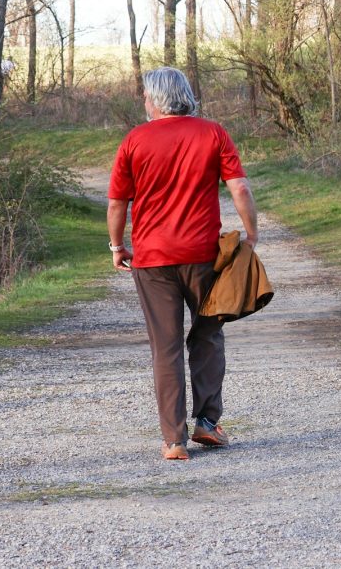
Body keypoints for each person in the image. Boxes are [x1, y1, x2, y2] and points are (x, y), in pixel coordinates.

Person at [106, 67, 258, 461]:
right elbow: (239, 186)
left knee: (166, 347)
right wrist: (251, 235)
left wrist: (117, 246)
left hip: (153, 260)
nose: (143, 101)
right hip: (203, 256)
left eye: (145, 96)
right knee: (207, 336)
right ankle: (207, 424)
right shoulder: (212, 133)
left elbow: (117, 202)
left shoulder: (135, 140)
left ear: (155, 99)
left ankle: (174, 440)